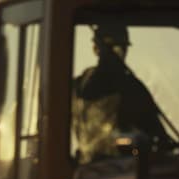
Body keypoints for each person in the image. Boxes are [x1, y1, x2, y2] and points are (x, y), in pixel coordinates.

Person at [73, 24, 173, 164]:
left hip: (85, 169)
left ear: (95, 48)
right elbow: (157, 137)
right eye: (116, 49)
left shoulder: (78, 85)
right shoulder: (130, 87)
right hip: (122, 170)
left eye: (121, 50)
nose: (119, 55)